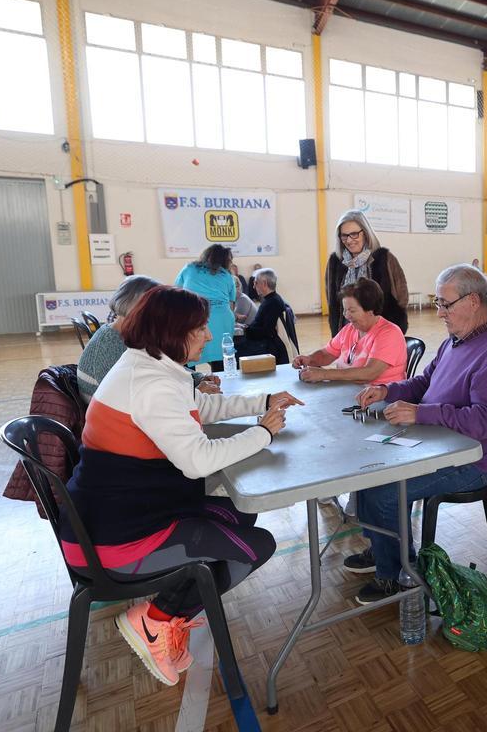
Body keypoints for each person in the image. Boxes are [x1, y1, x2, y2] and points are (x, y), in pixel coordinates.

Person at [62, 285, 303, 686]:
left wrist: (262, 402)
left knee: (240, 511)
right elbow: (197, 461)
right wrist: (263, 432)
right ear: (173, 331)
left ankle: (172, 604)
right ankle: (155, 621)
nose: (208, 336)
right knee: (256, 546)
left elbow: (199, 408)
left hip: (113, 517)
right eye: (201, 328)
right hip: (116, 544)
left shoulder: (145, 366)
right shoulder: (152, 383)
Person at [346, 264, 487, 603]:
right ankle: (385, 549)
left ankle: (398, 574)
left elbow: (485, 421)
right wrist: (389, 391)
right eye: (437, 302)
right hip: (436, 443)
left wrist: (420, 412)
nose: (439, 312)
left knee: (385, 491)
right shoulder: (455, 341)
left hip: (472, 463)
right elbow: (425, 382)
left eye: (445, 304)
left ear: (473, 302)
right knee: (365, 474)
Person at [77, 275, 220, 403]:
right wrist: (194, 394)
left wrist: (198, 378)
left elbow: (162, 364)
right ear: (139, 307)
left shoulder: (132, 333)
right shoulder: (111, 343)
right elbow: (133, 398)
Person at [293, 277, 406, 385]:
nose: (346, 315)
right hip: (350, 392)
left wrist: (325, 374)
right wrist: (310, 359)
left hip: (380, 397)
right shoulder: (350, 329)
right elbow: (326, 353)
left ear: (371, 310)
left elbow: (369, 373)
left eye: (351, 311)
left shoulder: (390, 333)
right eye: (345, 310)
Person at [325, 210, 409, 335]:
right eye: (344, 235)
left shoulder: (384, 258)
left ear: (365, 233)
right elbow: (331, 299)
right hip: (346, 332)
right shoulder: (335, 263)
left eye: (354, 234)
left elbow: (402, 296)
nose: (349, 240)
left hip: (381, 332)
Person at [175, 245, 237, 372]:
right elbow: (231, 305)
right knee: (222, 362)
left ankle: (192, 386)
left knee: (187, 358)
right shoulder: (226, 275)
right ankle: (223, 388)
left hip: (195, 318)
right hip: (222, 319)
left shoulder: (189, 269)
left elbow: (177, 293)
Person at [235, 268, 290, 365]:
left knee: (231, 352)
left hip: (267, 346)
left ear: (264, 283)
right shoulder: (271, 300)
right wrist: (245, 327)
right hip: (263, 342)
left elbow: (267, 332)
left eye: (256, 283)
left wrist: (245, 330)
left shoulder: (272, 303)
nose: (253, 286)